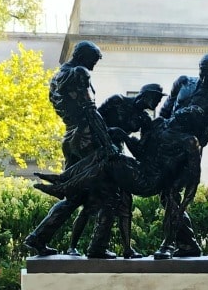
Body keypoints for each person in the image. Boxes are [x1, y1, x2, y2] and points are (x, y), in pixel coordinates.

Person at [34, 104, 206, 260]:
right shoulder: (160, 125)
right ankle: (63, 179)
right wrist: (124, 135)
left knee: (110, 160)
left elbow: (194, 178)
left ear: (189, 122)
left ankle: (63, 186)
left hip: (149, 182)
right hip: (139, 169)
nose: (184, 112)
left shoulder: (189, 141)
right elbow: (139, 151)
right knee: (107, 154)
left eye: (190, 114)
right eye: (186, 110)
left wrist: (183, 204)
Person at [23, 41, 119, 258]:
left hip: (70, 138)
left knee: (73, 196)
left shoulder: (57, 77)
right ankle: (98, 248)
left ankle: (39, 238)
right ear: (84, 56)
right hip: (87, 139)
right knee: (111, 194)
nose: (94, 65)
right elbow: (90, 111)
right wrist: (107, 143)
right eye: (94, 59)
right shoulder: (79, 73)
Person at [64, 83, 167, 259]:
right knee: (90, 203)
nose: (157, 103)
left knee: (125, 201)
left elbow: (141, 150)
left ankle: (127, 248)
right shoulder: (117, 101)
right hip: (99, 153)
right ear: (146, 95)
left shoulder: (144, 119)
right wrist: (114, 133)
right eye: (156, 98)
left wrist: (128, 138)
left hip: (118, 157)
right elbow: (94, 123)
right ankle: (72, 246)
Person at [156, 54, 208, 257]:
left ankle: (169, 244)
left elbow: (205, 136)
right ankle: (188, 243)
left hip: (188, 149)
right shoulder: (183, 82)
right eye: (202, 72)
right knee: (165, 195)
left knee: (171, 194)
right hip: (165, 142)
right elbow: (165, 109)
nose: (204, 78)